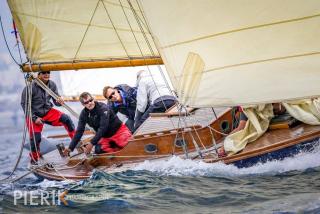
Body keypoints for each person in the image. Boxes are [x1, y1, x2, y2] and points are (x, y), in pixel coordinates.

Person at [21, 71, 75, 163]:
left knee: (67, 119)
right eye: (43, 73)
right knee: (35, 138)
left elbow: (56, 102)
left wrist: (59, 101)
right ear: (38, 75)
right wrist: (34, 118)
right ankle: (35, 157)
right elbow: (24, 105)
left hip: (48, 111)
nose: (47, 75)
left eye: (48, 73)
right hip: (33, 114)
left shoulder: (52, 85)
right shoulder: (29, 88)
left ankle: (75, 142)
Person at [63, 92, 132, 156]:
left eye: (91, 100)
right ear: (83, 105)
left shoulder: (103, 108)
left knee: (130, 146)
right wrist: (70, 147)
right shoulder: (83, 114)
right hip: (105, 137)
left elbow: (103, 128)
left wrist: (91, 143)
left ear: (93, 99)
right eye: (86, 102)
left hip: (119, 132)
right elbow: (79, 131)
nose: (90, 103)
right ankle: (115, 154)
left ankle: (118, 148)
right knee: (98, 150)